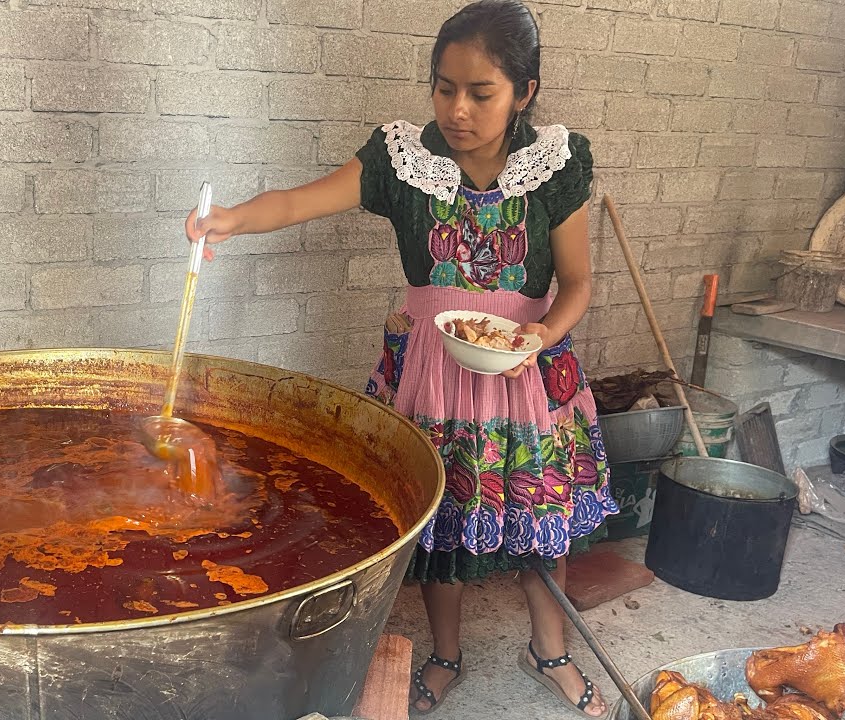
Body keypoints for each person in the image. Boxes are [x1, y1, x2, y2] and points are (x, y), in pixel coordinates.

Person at [184, 0, 618, 715]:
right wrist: (231, 219)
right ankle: (445, 654)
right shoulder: (403, 160)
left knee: (542, 517)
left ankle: (550, 651)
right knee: (436, 516)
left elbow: (576, 283)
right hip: (430, 372)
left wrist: (540, 337)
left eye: (481, 93)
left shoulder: (555, 166)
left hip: (526, 373)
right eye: (444, 87)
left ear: (524, 93)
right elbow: (297, 202)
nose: (458, 109)